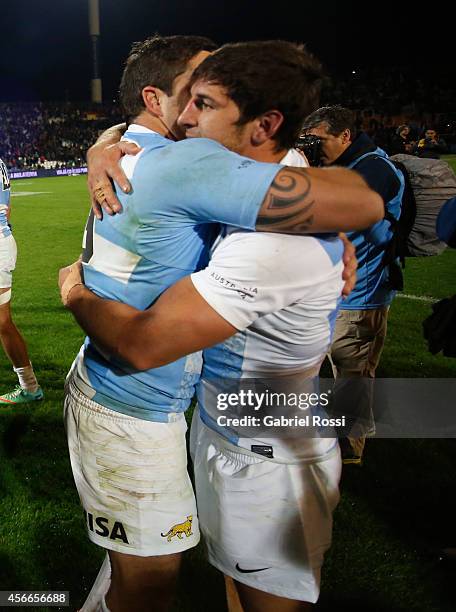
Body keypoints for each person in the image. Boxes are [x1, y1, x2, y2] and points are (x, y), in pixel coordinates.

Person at [62, 38, 382, 612]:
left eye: (203, 103)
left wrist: (74, 289)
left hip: (264, 444)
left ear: (263, 125)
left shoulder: (268, 228)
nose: (187, 116)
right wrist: (106, 142)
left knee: (205, 588)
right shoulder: (198, 167)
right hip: (206, 422)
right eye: (190, 96)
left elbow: (144, 343)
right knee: (172, 577)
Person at [302, 105, 404, 464]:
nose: (314, 147)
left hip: (361, 293)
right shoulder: (345, 165)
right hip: (338, 289)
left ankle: (348, 447)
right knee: (342, 368)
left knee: (351, 370)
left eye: (319, 140)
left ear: (345, 136)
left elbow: (344, 217)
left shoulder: (374, 168)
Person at [0, 158, 43, 405]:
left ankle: (30, 387)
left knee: (3, 322)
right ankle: (29, 386)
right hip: (4, 240)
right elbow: (8, 206)